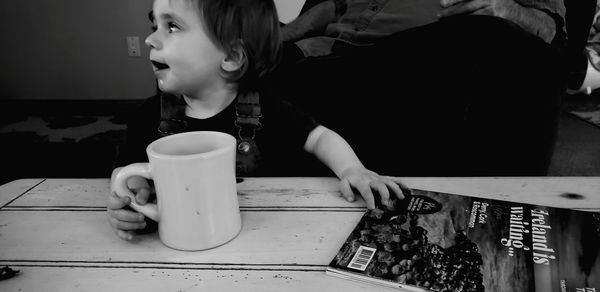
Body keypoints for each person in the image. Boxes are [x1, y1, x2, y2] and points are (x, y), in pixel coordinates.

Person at [107, 0, 408, 241]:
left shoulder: (264, 106)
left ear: (231, 57)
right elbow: (127, 169)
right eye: (154, 24)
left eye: (171, 26)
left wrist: (352, 167)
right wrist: (132, 200)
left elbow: (318, 137)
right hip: (181, 240)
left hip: (267, 236)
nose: (149, 38)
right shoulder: (148, 116)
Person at [266, 0, 571, 177]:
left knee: (495, 42)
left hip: (416, 61)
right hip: (322, 57)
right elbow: (335, 6)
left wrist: (507, 10)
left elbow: (549, 28)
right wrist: (282, 35)